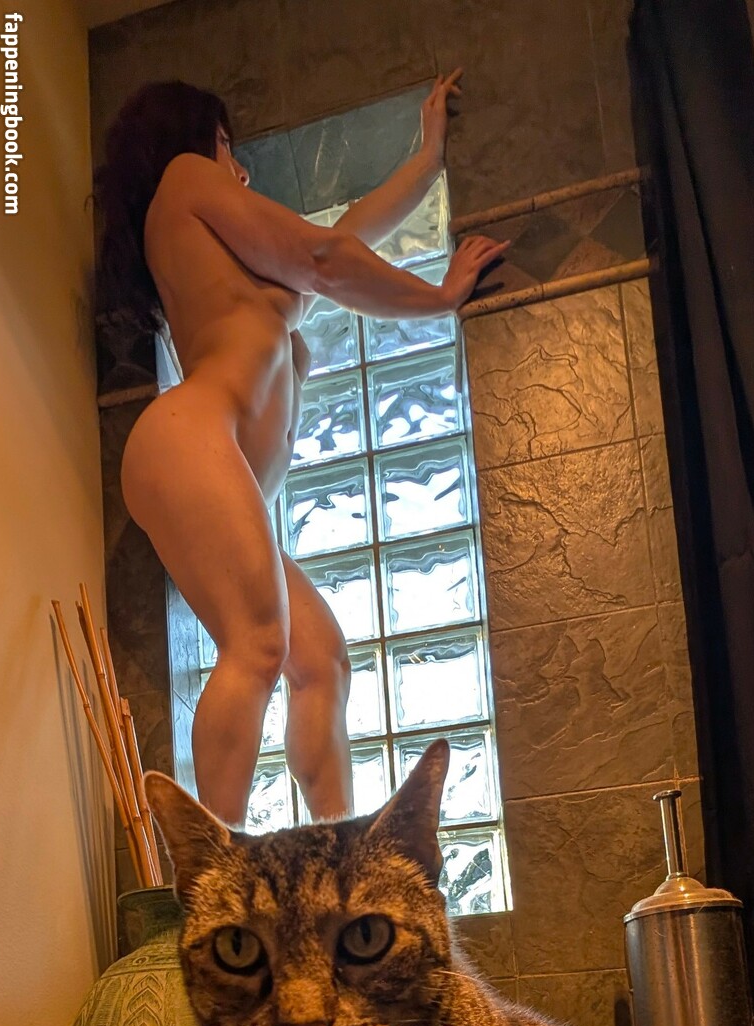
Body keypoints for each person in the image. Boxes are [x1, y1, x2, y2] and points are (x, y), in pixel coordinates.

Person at [94, 74, 507, 828]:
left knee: (320, 660)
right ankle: (210, 871)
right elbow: (323, 256)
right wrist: (437, 299)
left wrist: (427, 158)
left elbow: (345, 236)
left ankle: (337, 851)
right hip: (188, 435)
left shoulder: (236, 268)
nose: (240, 171)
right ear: (187, 141)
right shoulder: (183, 181)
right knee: (257, 644)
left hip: (208, 458)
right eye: (226, 147)